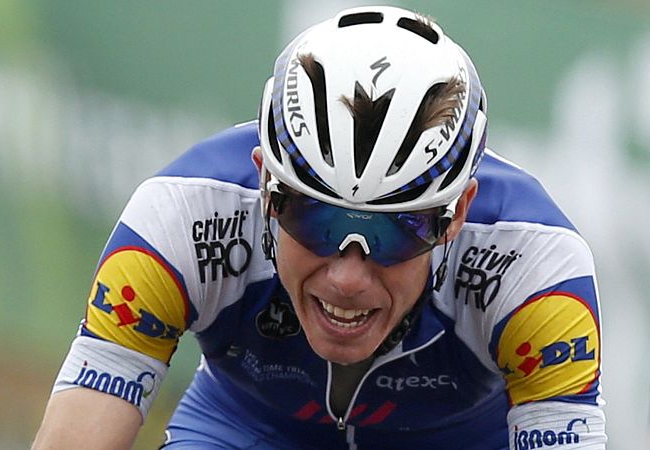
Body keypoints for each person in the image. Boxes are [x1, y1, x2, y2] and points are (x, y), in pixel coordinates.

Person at [32, 5, 606, 449]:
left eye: (395, 232)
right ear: (266, 185)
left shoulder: (531, 266)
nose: (347, 278)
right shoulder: (185, 216)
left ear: (456, 214)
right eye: (314, 219)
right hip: (247, 429)